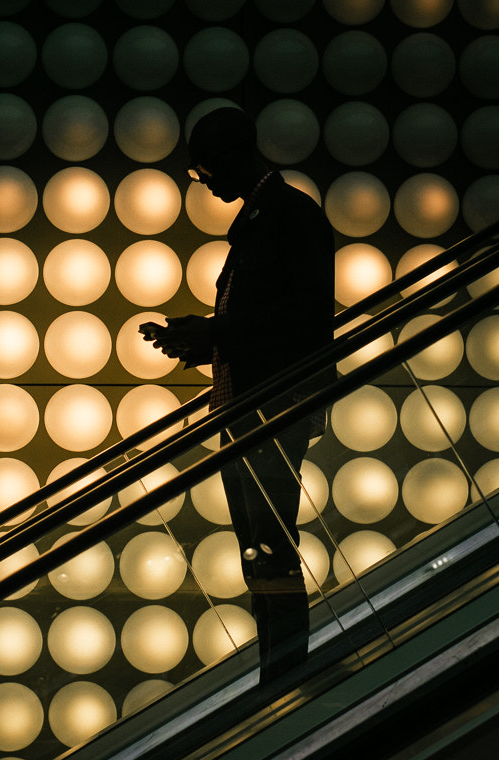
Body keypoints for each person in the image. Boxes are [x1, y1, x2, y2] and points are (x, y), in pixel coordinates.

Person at [141, 107, 335, 690]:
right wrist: (203, 341)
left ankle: (283, 674)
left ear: (233, 155)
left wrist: (214, 334)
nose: (204, 184)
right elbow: (275, 320)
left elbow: (301, 317)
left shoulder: (284, 216)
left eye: (204, 171)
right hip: (251, 403)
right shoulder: (267, 217)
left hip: (271, 404)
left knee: (269, 543)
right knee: (262, 546)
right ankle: (278, 670)